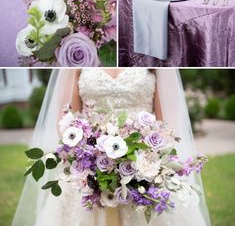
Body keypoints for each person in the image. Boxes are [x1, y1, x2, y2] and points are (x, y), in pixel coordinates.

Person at [12, 68, 211, 226]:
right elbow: (66, 120)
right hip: (88, 168)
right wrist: (89, 156)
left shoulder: (154, 66)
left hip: (143, 169)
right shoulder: (78, 60)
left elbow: (165, 124)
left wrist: (143, 161)